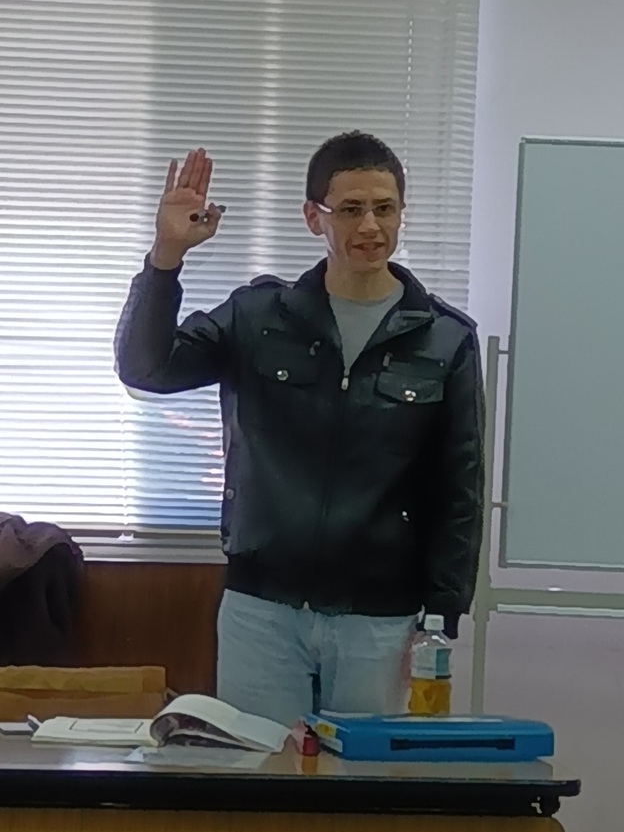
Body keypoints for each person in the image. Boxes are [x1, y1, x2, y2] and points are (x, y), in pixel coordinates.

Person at [115, 131, 485, 727]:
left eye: (385, 208)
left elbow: (459, 488)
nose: (371, 226)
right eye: (351, 209)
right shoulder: (259, 316)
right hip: (262, 610)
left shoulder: (445, 338)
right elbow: (146, 368)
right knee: (259, 769)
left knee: (366, 778)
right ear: (315, 218)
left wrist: (443, 615)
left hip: (381, 619)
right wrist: (166, 256)